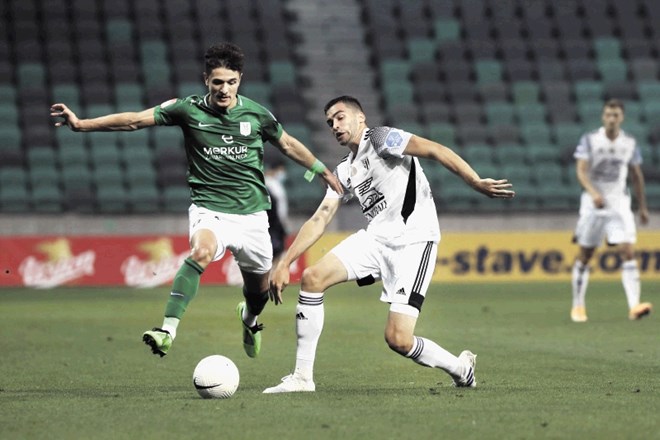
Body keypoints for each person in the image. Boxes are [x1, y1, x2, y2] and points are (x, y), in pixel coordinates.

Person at [50, 42, 343, 358]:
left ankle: (250, 319)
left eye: (231, 82)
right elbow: (134, 120)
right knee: (201, 252)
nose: (224, 89)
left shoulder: (257, 114)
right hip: (210, 209)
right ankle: (167, 330)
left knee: (258, 294)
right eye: (218, 82)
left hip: (253, 216)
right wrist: (81, 125)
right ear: (207, 80)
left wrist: (321, 170)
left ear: (239, 80)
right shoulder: (187, 109)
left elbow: (287, 144)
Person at [263, 96, 515, 393]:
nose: (334, 125)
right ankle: (302, 378)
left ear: (360, 118)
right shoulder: (344, 169)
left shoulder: (382, 138)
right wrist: (285, 262)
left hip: (414, 241)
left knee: (398, 339)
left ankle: (460, 368)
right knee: (312, 278)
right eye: (330, 122)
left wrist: (475, 182)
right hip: (375, 239)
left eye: (340, 117)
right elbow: (321, 217)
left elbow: (435, 149)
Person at [570, 99, 652, 323]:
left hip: (619, 203)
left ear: (622, 117)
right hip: (593, 204)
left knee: (627, 251)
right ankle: (578, 305)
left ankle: (634, 306)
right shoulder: (590, 140)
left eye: (615, 115)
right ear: (602, 116)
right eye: (608, 114)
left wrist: (642, 206)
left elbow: (636, 175)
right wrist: (593, 192)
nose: (611, 119)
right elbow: (581, 171)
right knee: (585, 255)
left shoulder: (629, 143)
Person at [263, 155, 289, 265]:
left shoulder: (276, 184)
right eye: (282, 170)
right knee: (272, 252)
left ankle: (272, 277)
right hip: (271, 224)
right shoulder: (268, 183)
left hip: (278, 224)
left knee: (278, 251)